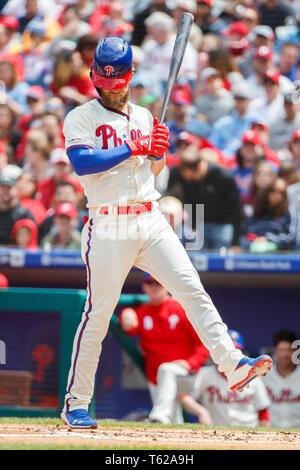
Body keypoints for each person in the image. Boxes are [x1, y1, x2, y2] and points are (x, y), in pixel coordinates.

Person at [60, 37, 272, 429]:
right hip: (109, 222)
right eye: (103, 79)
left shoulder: (144, 117)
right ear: (95, 76)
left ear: (129, 78)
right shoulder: (81, 117)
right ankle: (76, 402)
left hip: (150, 217)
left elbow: (151, 173)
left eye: (116, 79)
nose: (109, 85)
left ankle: (233, 363)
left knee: (192, 289)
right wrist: (134, 147)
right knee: (99, 315)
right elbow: (82, 163)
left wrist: (156, 153)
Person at [119, 273, 209, 424]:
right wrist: (126, 313)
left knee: (167, 370)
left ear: (167, 286)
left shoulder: (181, 309)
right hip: (157, 380)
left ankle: (158, 415)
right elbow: (130, 329)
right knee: (172, 422)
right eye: (150, 283)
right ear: (144, 286)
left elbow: (204, 344)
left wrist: (189, 364)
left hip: (186, 376)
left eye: (158, 283)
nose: (154, 287)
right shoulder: (142, 312)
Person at [179, 330, 271, 427]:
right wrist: (201, 411)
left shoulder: (253, 376)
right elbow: (184, 397)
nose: (230, 357)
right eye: (225, 352)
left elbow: (263, 412)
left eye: (234, 352)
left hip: (248, 433)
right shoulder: (204, 374)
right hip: (216, 434)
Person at [167, 142, 244, 250]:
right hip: (199, 227)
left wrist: (236, 242)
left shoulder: (223, 176)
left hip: (222, 226)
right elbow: (189, 202)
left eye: (191, 175)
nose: (189, 179)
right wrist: (192, 226)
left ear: (199, 166)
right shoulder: (181, 175)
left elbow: (236, 209)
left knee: (220, 264)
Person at [240, 177, 296, 252]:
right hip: (252, 253)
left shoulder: (288, 213)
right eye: (273, 190)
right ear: (267, 192)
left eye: (281, 192)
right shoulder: (256, 210)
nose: (277, 195)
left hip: (279, 256)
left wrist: (268, 239)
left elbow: (291, 239)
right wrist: (255, 240)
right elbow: (244, 234)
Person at [263, 330, 300, 428]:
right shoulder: (265, 375)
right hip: (273, 432)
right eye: (282, 350)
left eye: (289, 350)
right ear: (275, 351)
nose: (285, 355)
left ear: (295, 352)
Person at [0, 173, 35, 246]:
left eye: (9, 187)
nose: (5, 191)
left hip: (18, 255)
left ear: (16, 189)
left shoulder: (25, 215)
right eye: (3, 187)